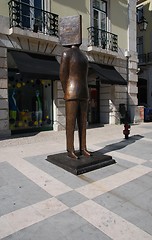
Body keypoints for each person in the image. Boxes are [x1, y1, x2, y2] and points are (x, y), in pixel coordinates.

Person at [60, 44, 91, 159]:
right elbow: (63, 75)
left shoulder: (83, 56)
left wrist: (66, 90)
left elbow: (63, 75)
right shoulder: (68, 54)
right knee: (72, 122)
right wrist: (67, 91)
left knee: (80, 123)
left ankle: (83, 148)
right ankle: (70, 149)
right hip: (75, 92)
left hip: (80, 92)